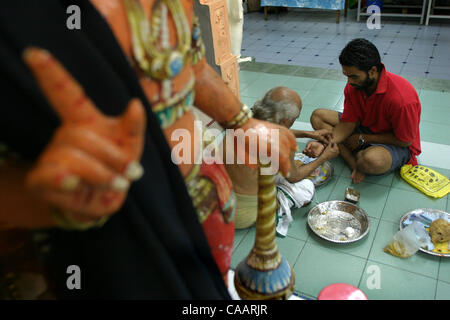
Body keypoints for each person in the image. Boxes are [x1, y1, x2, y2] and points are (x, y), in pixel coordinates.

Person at [0, 0, 297, 299]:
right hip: (86, 232)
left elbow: (192, 66)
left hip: (201, 189)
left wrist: (243, 123)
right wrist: (38, 196)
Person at [305, 38, 421, 184]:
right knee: (318, 116)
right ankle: (354, 163)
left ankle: (359, 157)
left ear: (372, 71)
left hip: (393, 141)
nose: (349, 82)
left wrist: (364, 138)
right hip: (364, 127)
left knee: (371, 161)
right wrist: (324, 143)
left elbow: (405, 140)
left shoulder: (402, 99)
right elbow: (348, 123)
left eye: (354, 76)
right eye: (347, 76)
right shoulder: (354, 87)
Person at [224, 87, 339, 229]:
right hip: (243, 214)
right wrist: (324, 157)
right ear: (286, 120)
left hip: (221, 198)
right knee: (306, 188)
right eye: (294, 120)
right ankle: (277, 204)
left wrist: (310, 134)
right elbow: (294, 177)